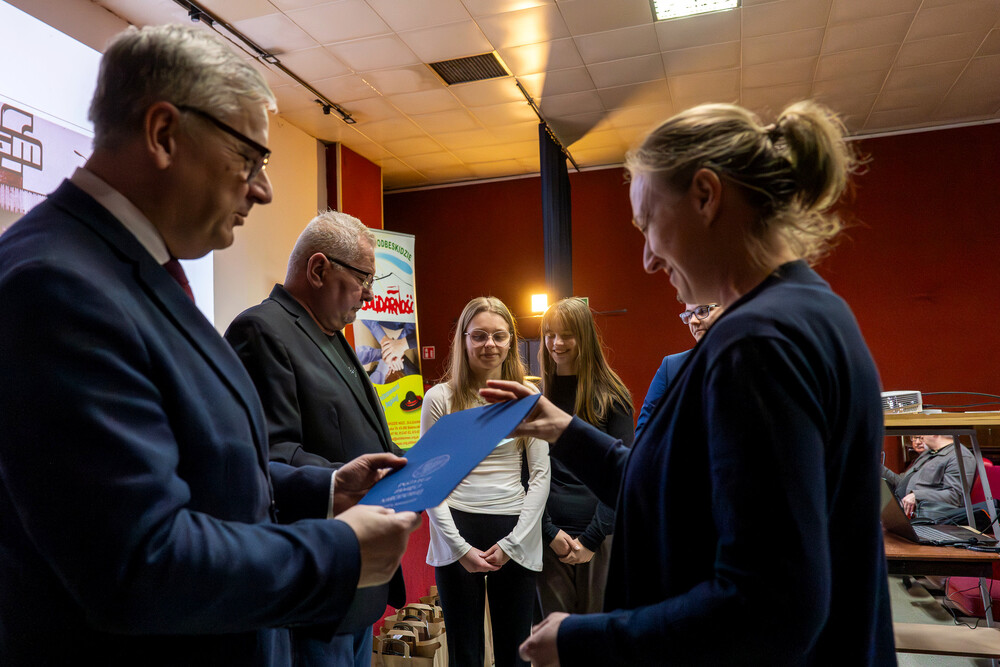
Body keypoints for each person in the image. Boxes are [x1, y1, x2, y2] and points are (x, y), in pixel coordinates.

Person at [0, 24, 420, 666]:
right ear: (164, 134)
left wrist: (325, 488)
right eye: (250, 158)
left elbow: (204, 472)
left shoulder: (128, 271)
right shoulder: (56, 286)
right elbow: (138, 560)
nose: (263, 189)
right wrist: (337, 549)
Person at [485, 101, 895, 665]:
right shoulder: (808, 310)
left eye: (649, 224)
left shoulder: (757, 344)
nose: (649, 258)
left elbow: (772, 604)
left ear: (706, 196)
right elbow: (671, 490)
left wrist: (587, 638)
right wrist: (565, 430)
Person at [224, 210, 407, 666]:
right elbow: (271, 455)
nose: (370, 294)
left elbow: (359, 435)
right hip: (316, 590)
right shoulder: (263, 329)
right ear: (319, 268)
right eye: (363, 278)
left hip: (356, 587)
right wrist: (349, 480)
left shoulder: (330, 332)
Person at [422, 296, 550, 667]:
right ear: (463, 339)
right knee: (466, 652)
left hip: (515, 528)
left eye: (498, 336)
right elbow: (432, 481)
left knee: (516, 650)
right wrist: (459, 548)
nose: (489, 344)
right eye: (479, 336)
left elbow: (540, 475)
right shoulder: (439, 398)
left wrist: (514, 542)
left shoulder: (527, 397)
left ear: (511, 340)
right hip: (455, 527)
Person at [536, 297, 634, 618]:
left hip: (601, 540)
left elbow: (622, 477)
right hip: (550, 541)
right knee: (554, 646)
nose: (557, 343)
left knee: (599, 645)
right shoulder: (539, 398)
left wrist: (590, 540)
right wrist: (549, 533)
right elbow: (529, 474)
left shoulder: (613, 396)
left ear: (585, 337)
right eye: (550, 334)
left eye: (567, 334)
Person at [635, 300, 723, 434]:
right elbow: (645, 430)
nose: (693, 321)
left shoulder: (750, 360)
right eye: (689, 315)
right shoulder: (671, 367)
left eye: (702, 311)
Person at [883, 434, 976, 521]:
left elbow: (955, 497)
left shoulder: (960, 456)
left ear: (934, 433)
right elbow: (902, 483)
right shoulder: (928, 453)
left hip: (927, 519)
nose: (920, 437)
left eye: (923, 431)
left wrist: (917, 496)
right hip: (900, 513)